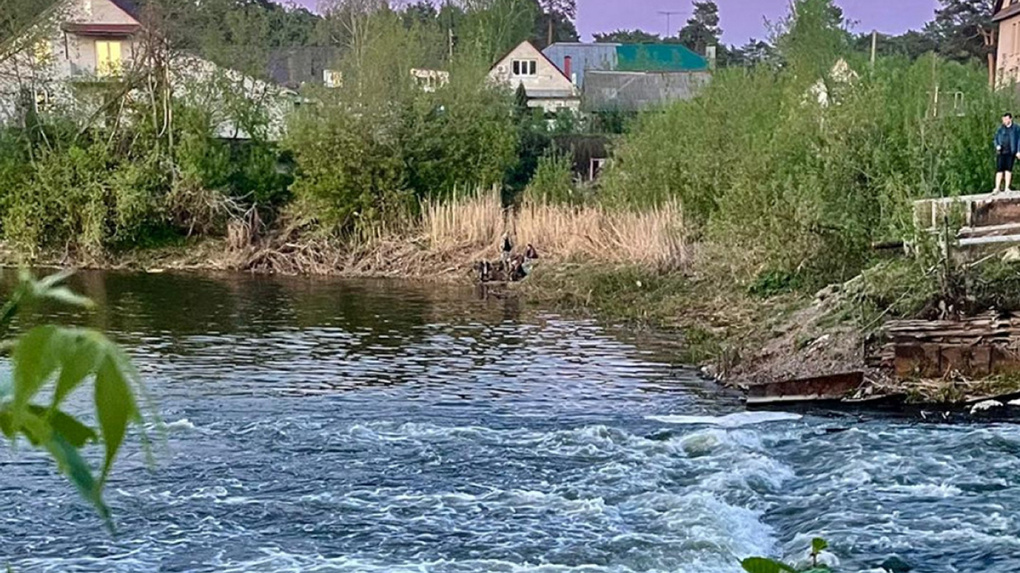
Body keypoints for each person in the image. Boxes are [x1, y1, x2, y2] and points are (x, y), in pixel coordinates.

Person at [993, 112, 1020, 193]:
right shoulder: (1000, 129)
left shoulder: (1016, 129)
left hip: (1011, 151)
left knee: (1008, 169)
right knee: (999, 170)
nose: (1004, 121)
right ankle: (997, 188)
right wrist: (997, 145)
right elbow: (995, 138)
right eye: (1003, 119)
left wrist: (1018, 151)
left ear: (1010, 119)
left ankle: (1007, 188)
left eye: (1006, 119)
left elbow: (1019, 140)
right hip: (1001, 152)